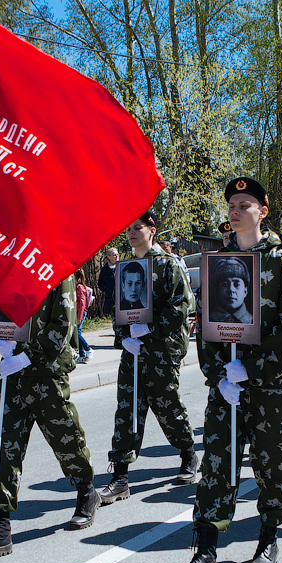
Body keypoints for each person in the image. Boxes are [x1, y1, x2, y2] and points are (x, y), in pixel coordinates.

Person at [168, 176, 282, 563]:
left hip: (271, 386)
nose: (235, 209)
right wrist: (218, 374)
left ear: (263, 212)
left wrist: (254, 369)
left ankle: (268, 538)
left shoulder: (281, 262)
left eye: (245, 204)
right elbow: (206, 326)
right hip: (227, 385)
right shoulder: (218, 261)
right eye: (231, 204)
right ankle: (205, 552)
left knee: (273, 464)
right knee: (217, 463)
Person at [0, 278, 99, 560]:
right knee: (5, 448)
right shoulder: (4, 265)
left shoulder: (56, 268)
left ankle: (86, 490)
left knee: (66, 440)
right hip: (12, 372)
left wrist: (28, 356)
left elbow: (62, 324)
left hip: (45, 373)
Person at [100, 210, 200, 504]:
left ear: (152, 229)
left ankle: (188, 455)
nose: (131, 233)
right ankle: (120, 476)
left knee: (167, 406)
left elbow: (183, 305)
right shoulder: (125, 267)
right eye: (128, 228)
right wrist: (124, 337)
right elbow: (118, 310)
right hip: (134, 350)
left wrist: (150, 329)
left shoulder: (168, 265)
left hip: (161, 350)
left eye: (137, 227)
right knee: (127, 408)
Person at [208, 256, 254, 324]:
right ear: (218, 290)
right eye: (225, 284)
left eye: (236, 284)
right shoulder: (208, 319)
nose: (231, 290)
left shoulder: (252, 321)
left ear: (245, 291)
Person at [73, 269, 93, 363]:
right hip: (75, 312)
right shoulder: (74, 286)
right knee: (78, 332)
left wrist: (79, 317)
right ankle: (82, 354)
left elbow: (82, 303)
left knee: (76, 332)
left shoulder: (80, 287)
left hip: (80, 312)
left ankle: (88, 349)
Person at [97, 247, 119, 314]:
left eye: (117, 254)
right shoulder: (104, 270)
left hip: (122, 298)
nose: (116, 257)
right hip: (110, 300)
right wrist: (107, 289)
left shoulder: (122, 266)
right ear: (108, 256)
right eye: (114, 255)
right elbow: (100, 283)